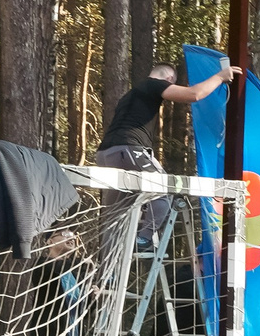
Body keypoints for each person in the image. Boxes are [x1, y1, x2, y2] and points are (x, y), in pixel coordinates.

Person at [95, 58, 237, 245]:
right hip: (130, 150)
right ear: (169, 79)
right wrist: (220, 76)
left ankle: (111, 261)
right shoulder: (154, 84)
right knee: (163, 190)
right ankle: (144, 239)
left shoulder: (131, 95)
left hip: (106, 154)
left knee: (117, 214)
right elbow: (194, 94)